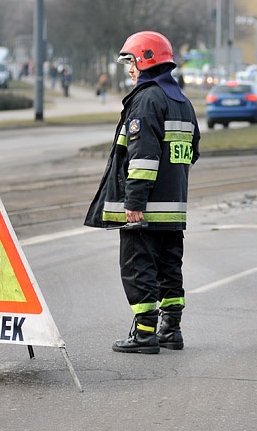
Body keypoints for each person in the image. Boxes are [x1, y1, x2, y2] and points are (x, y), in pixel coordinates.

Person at [84, 31, 200, 354]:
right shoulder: (182, 102)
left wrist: (134, 201)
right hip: (173, 210)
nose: (130, 71)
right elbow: (191, 153)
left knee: (138, 267)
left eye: (131, 63)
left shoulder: (147, 100)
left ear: (145, 61)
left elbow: (143, 157)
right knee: (169, 267)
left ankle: (145, 334)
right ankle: (171, 329)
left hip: (145, 209)